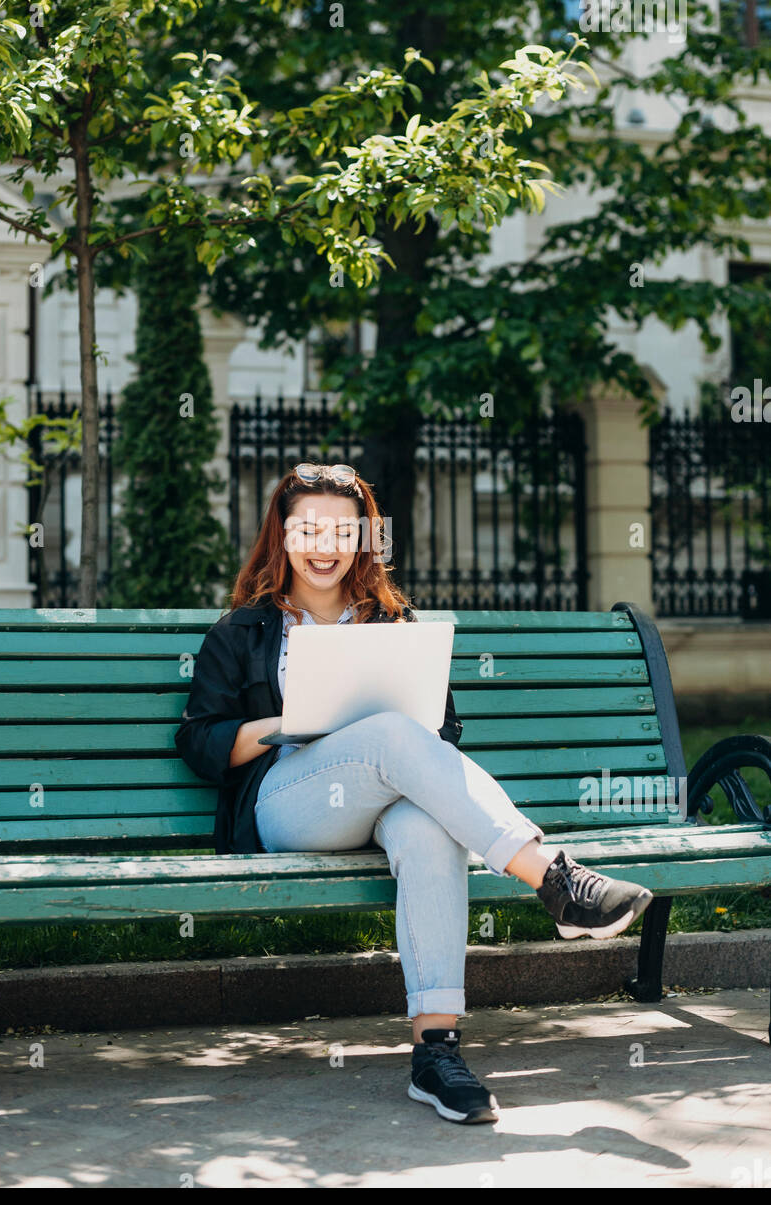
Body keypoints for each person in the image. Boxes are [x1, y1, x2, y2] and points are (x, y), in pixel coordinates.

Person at [175, 463, 653, 1125]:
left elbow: (443, 731)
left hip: (380, 796)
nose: (323, 544)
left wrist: (389, 730)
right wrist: (293, 723)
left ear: (364, 540)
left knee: (430, 828)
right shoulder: (243, 631)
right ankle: (554, 879)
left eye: (341, 531)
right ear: (282, 538)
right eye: (307, 528)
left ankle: (437, 1051)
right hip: (289, 804)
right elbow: (201, 743)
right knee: (393, 736)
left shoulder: (393, 624)